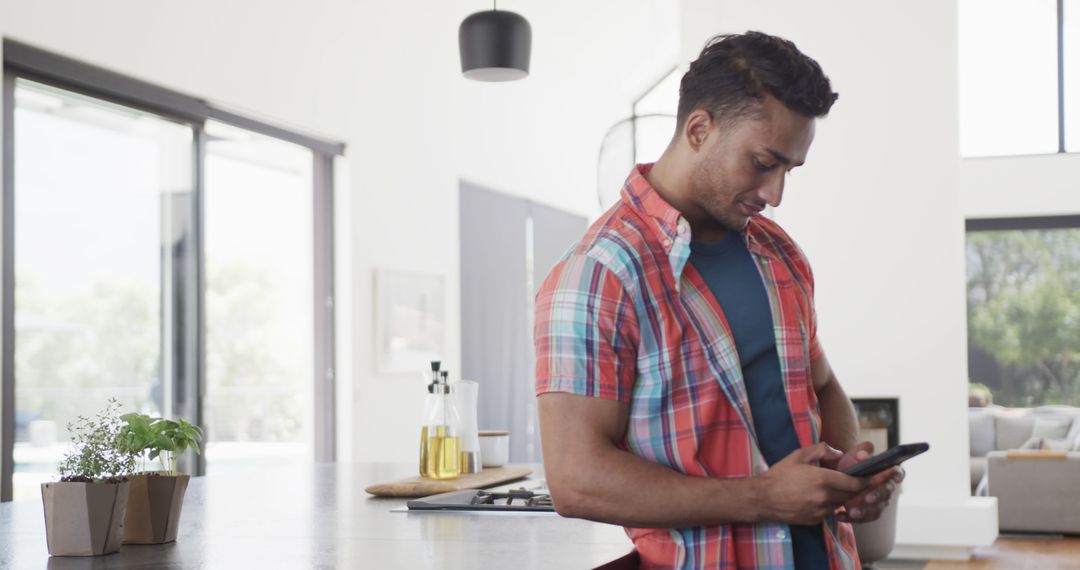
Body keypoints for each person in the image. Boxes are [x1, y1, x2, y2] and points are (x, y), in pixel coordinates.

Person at [534, 31, 903, 569]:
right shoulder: (598, 273)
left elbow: (822, 387)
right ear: (700, 129)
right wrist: (762, 497)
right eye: (762, 162)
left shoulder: (780, 255)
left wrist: (846, 473)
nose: (775, 194)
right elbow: (576, 480)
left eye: (788, 171)